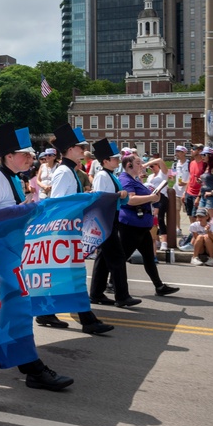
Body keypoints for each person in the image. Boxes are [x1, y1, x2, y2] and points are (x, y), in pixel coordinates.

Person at [0, 122, 75, 388]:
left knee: (2, 313)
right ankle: (33, 369)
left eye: (31, 154)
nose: (31, 158)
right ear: (8, 156)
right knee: (16, 311)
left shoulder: (11, 178)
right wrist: (21, 210)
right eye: (25, 154)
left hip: (9, 256)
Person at [41, 124, 117, 330]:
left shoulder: (70, 171)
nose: (83, 150)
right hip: (63, 232)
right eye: (80, 147)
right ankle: (87, 320)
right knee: (73, 276)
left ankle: (47, 313)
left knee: (67, 276)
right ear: (69, 149)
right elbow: (56, 204)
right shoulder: (64, 172)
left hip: (70, 230)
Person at [117, 153, 179, 296]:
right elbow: (130, 200)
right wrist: (152, 197)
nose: (142, 165)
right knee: (122, 256)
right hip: (131, 225)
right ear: (129, 166)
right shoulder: (125, 179)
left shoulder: (135, 179)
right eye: (138, 163)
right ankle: (111, 283)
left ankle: (159, 286)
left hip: (141, 225)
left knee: (149, 257)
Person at [88, 138, 137, 307]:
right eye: (115, 158)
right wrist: (120, 195)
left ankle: (96, 293)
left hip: (109, 218)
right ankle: (122, 296)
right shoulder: (102, 175)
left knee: (103, 258)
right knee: (117, 257)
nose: (118, 160)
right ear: (105, 161)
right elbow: (101, 198)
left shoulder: (109, 175)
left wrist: (120, 195)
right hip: (106, 219)